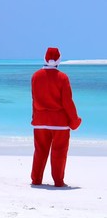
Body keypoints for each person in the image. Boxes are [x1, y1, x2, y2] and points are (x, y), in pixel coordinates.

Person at [30, 47, 82, 187]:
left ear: (45, 58)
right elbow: (67, 102)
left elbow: (34, 100)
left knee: (40, 150)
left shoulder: (35, 76)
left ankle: (36, 179)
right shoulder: (63, 77)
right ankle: (58, 181)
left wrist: (34, 118)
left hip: (40, 121)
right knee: (59, 151)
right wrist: (75, 120)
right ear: (59, 59)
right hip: (59, 123)